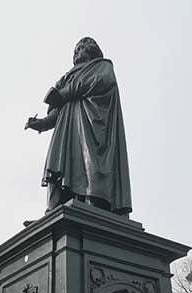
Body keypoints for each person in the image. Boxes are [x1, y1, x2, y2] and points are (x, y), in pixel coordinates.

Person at [25, 37, 132, 217]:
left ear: (91, 51)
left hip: (90, 124)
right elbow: (57, 109)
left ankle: (95, 203)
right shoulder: (67, 77)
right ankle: (52, 211)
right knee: (57, 164)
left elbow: (103, 81)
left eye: (80, 48)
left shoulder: (102, 66)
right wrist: (42, 123)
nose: (76, 52)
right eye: (74, 50)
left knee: (90, 162)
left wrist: (66, 92)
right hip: (66, 130)